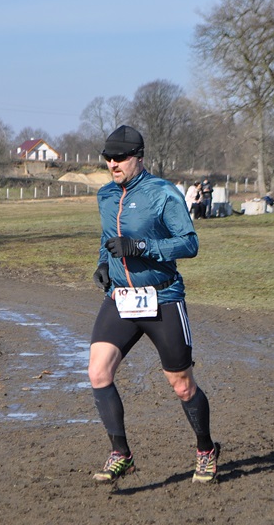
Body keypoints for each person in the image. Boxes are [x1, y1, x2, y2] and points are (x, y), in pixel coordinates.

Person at [90, 125, 219, 484]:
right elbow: (107, 237)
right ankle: (121, 454)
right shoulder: (105, 195)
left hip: (162, 298)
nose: (113, 164)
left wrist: (141, 248)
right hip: (121, 298)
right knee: (98, 373)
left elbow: (189, 243)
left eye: (120, 158)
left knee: (182, 385)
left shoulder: (163, 193)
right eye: (108, 158)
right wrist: (103, 264)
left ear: (139, 157)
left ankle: (206, 450)